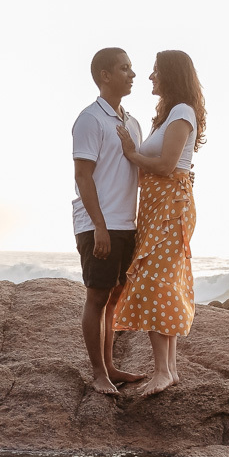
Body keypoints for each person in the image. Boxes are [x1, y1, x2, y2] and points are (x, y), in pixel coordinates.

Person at [112, 50, 207, 398]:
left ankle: (164, 371)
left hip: (169, 206)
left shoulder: (182, 111)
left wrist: (130, 152)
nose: (149, 77)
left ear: (170, 75)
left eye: (155, 72)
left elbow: (167, 165)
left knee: (157, 281)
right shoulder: (169, 115)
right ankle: (170, 370)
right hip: (158, 204)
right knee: (164, 280)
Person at [72, 48, 147, 395]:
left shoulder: (131, 122)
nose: (132, 74)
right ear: (104, 75)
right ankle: (99, 373)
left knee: (115, 297)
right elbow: (83, 177)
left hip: (125, 224)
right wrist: (99, 225)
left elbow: (137, 171)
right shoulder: (90, 119)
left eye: (131, 68)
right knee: (97, 297)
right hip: (97, 224)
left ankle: (111, 366)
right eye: (124, 68)